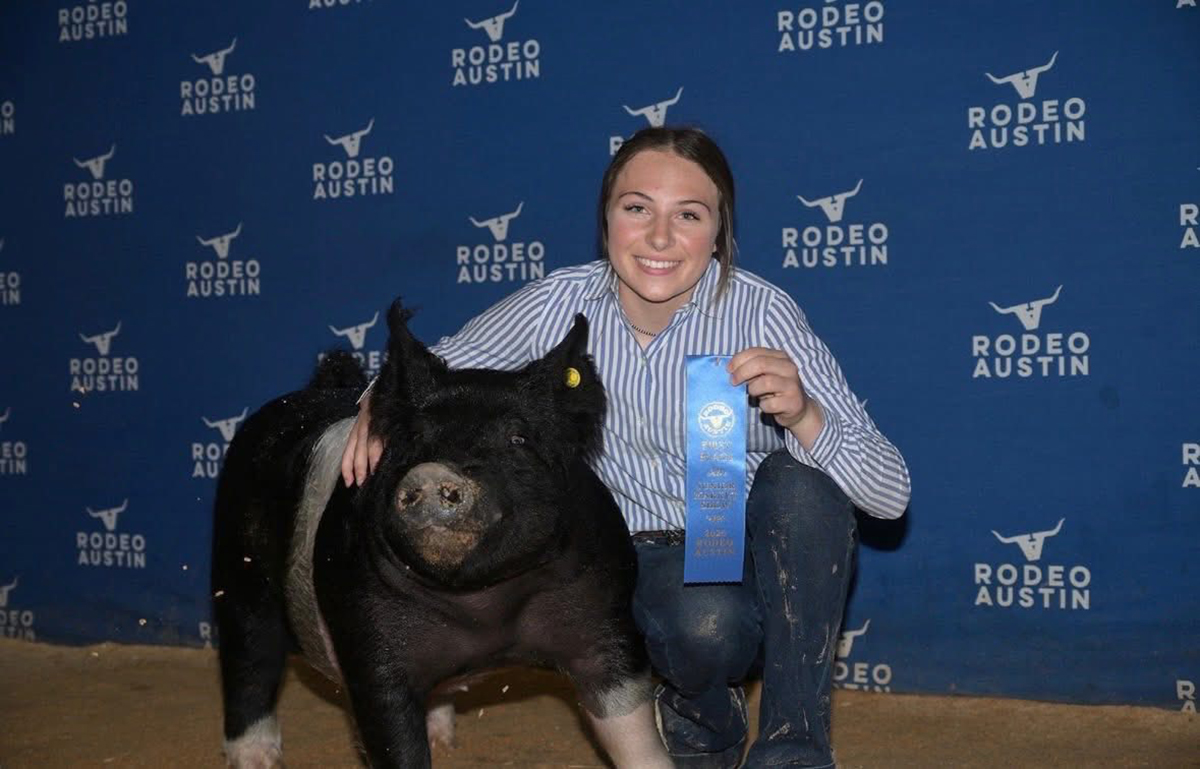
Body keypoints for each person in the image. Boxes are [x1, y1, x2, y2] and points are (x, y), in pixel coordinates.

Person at [342, 126, 910, 768]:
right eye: (637, 208)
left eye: (688, 215)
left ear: (719, 233)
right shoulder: (559, 304)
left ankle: (794, 750)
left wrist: (805, 415)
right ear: (606, 219)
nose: (660, 238)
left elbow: (890, 496)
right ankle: (702, 722)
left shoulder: (763, 313)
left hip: (754, 547)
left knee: (804, 490)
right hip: (639, 557)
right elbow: (435, 369)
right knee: (705, 628)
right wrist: (373, 403)